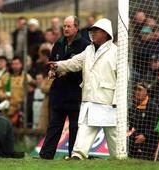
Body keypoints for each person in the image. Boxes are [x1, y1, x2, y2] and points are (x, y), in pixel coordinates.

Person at [48, 18, 118, 160]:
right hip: (89, 97)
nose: (92, 33)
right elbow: (74, 63)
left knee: (113, 133)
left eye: (95, 31)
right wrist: (58, 65)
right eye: (91, 31)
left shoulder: (116, 52)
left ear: (105, 33)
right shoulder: (88, 49)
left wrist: (117, 99)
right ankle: (78, 155)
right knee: (85, 127)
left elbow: (123, 78)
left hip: (108, 100)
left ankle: (119, 156)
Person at [39, 15, 90, 160]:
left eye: (69, 26)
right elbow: (51, 63)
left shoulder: (85, 45)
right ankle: (46, 155)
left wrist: (65, 72)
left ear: (76, 27)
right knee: (54, 125)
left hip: (75, 92)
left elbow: (84, 69)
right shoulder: (58, 43)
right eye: (64, 26)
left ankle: (73, 156)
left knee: (75, 127)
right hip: (59, 92)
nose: (66, 29)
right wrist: (51, 72)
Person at [128, 82, 159, 160]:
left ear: (146, 92)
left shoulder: (152, 107)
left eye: (140, 90)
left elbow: (156, 126)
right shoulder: (132, 107)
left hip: (149, 140)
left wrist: (145, 135)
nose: (137, 92)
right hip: (135, 139)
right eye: (135, 89)